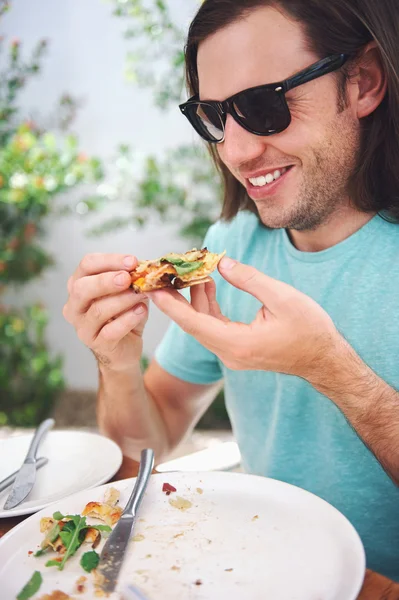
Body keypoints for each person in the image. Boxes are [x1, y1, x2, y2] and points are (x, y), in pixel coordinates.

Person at [63, 0, 399, 580]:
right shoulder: (231, 247)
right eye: (215, 117)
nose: (237, 151)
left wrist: (332, 369)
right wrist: (116, 363)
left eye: (264, 106)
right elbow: (148, 443)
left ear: (363, 82)